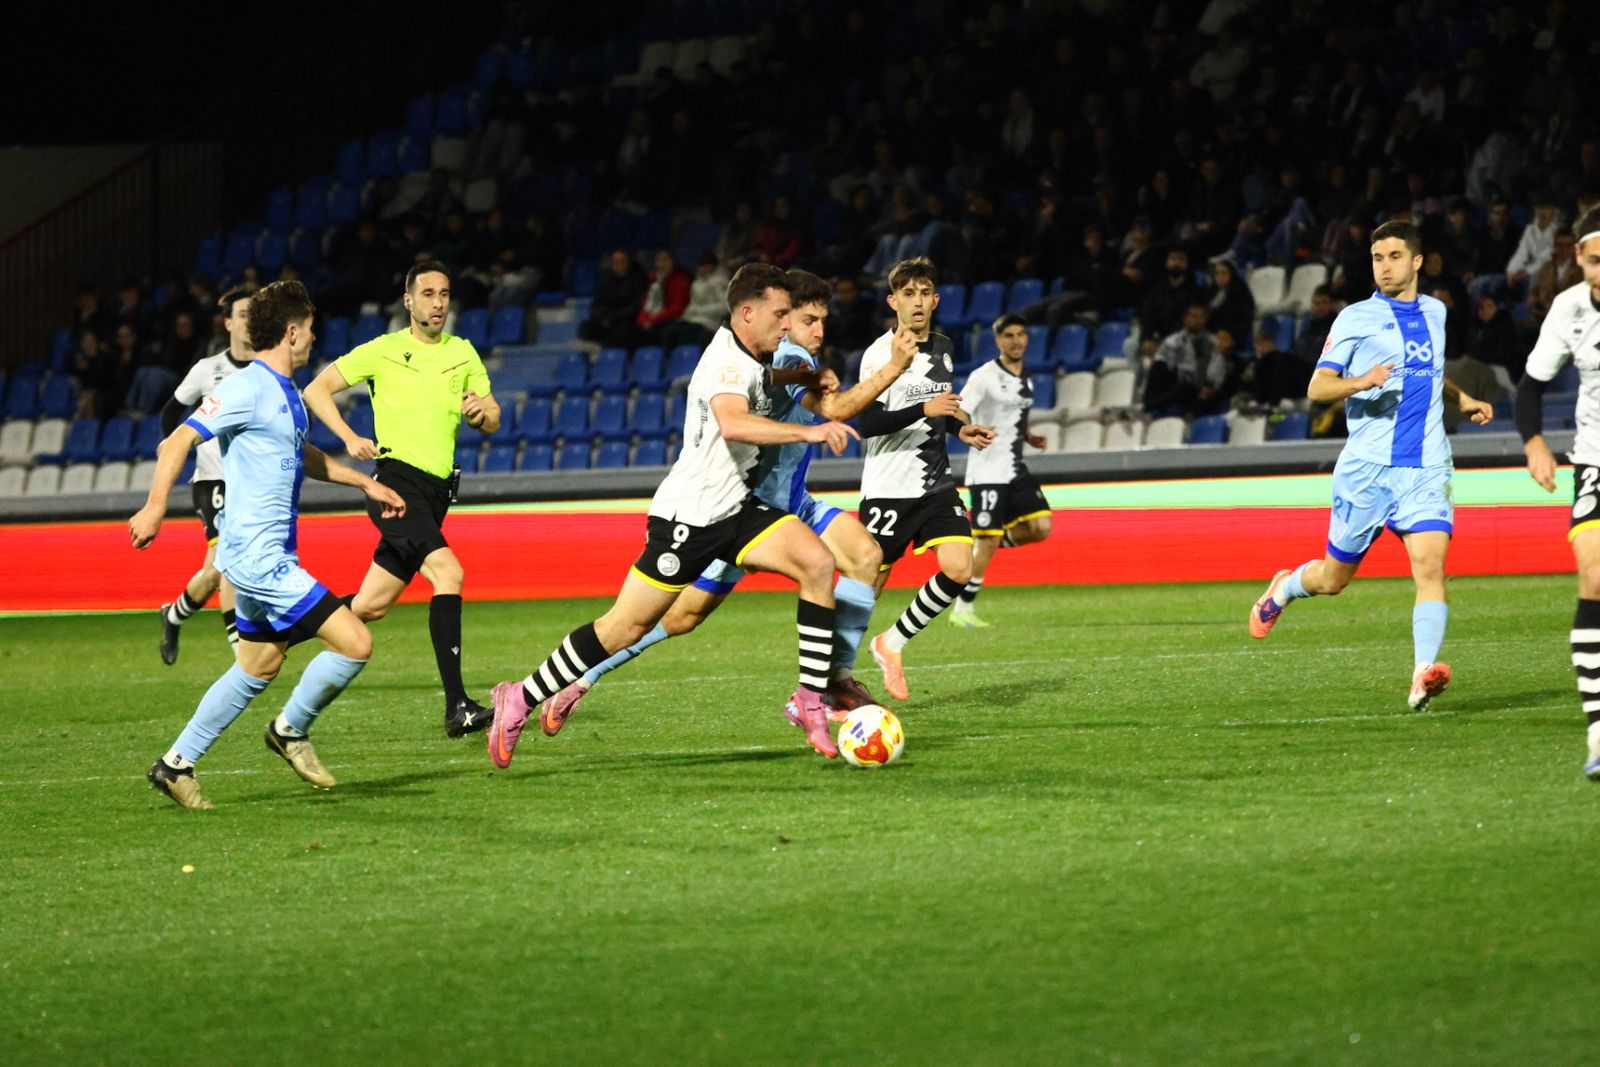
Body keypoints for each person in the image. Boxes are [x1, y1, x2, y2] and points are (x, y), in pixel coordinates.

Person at [483, 265, 859, 767]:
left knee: (815, 562)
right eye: (780, 313)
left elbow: (765, 380)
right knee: (623, 629)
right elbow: (733, 422)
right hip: (691, 519)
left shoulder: (752, 353)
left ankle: (811, 699)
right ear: (749, 313)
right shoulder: (724, 363)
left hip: (738, 508)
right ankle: (521, 696)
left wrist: (804, 375)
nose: (787, 323)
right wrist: (808, 432)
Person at [536, 269, 918, 729]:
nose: (818, 330)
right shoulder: (789, 353)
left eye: (822, 320)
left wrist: (817, 377)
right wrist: (892, 368)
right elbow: (832, 410)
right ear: (782, 318)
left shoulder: (789, 358)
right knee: (681, 617)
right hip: (746, 508)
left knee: (865, 553)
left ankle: (833, 680)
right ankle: (580, 678)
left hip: (793, 500)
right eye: (806, 319)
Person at [129, 280, 406, 810]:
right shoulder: (247, 387)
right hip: (260, 560)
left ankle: (175, 765)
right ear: (292, 331)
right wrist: (155, 506)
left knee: (258, 665)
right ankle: (290, 730)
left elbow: (302, 456)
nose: (314, 337)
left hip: (262, 556)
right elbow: (177, 440)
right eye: (311, 329)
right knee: (355, 641)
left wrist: (364, 483)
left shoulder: (286, 395)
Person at [1248, 220, 1493, 710]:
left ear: (1418, 261)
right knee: (1333, 580)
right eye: (1378, 258)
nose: (1384, 267)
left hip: (1426, 465)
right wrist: (1363, 381)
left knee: (1430, 568)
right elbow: (1317, 389)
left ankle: (1423, 674)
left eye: (1395, 256)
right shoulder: (1355, 319)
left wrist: (1461, 397)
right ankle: (1287, 586)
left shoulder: (1436, 313)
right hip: (1367, 470)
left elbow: (1428, 366)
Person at [301, 261, 501, 739]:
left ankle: (275, 635)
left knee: (369, 606)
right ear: (408, 301)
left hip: (436, 493)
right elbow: (316, 389)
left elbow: (492, 416)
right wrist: (349, 436)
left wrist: (481, 414)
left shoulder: (463, 353)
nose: (438, 302)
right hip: (395, 486)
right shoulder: (384, 350)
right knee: (449, 573)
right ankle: (458, 707)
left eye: (445, 293)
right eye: (428, 294)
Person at [857, 257, 997, 700]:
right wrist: (925, 410)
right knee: (868, 590)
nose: (917, 302)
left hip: (935, 484)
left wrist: (961, 427)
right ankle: (829, 681)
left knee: (961, 566)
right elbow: (868, 422)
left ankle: (892, 643)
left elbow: (943, 409)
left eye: (925, 294)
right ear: (892, 301)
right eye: (908, 294)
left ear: (935, 300)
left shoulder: (943, 348)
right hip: (887, 490)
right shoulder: (880, 354)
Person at [1515, 207, 1600, 777]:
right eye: (1596, 260)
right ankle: (1599, 731)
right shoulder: (1569, 309)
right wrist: (1535, 445)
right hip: (1595, 460)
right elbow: (1529, 389)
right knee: (1594, 574)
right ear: (1580, 258)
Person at [155, 285, 255, 664]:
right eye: (243, 314)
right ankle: (241, 655)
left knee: (213, 573)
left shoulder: (269, 369)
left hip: (250, 484)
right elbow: (170, 413)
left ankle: (174, 614)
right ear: (228, 322)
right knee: (226, 563)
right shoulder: (207, 370)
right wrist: (173, 445)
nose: (250, 321)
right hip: (213, 481)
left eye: (255, 314)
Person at [950, 314, 1052, 628]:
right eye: (1009, 335)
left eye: (1021, 334)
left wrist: (1028, 436)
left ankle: (983, 546)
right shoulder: (985, 376)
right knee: (989, 540)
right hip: (987, 470)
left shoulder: (1027, 378)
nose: (1016, 340)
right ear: (998, 341)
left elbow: (1011, 418)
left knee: (1041, 527)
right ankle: (962, 609)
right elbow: (958, 407)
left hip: (1014, 466)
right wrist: (968, 429)